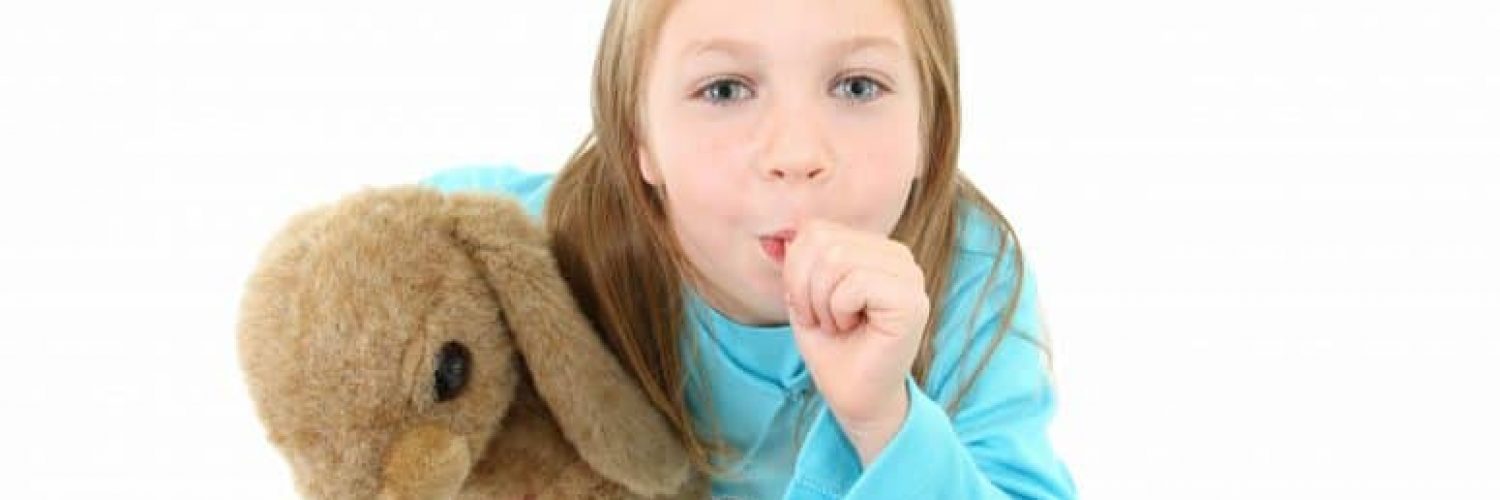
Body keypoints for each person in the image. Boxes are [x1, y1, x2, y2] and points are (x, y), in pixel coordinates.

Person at [423, 0, 1076, 498]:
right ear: (636, 140)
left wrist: (884, 417)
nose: (797, 155)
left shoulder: (967, 276)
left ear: (929, 133)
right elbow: (373, 260)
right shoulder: (535, 250)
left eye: (856, 87)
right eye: (726, 90)